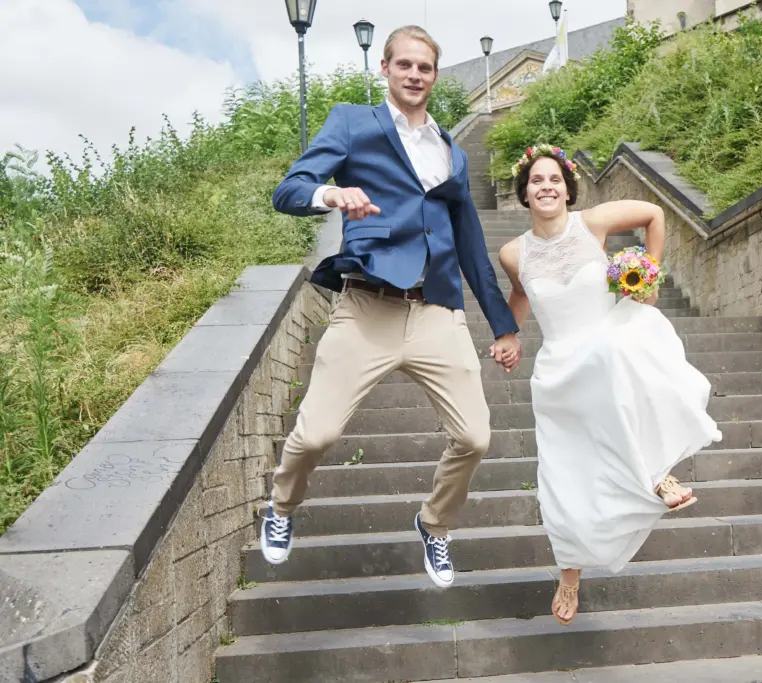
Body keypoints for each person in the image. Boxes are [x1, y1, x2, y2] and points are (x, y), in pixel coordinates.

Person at [260, 25, 522, 589]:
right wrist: (331, 194)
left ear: (434, 74)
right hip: (368, 306)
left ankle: (435, 524)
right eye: (404, 65)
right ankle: (281, 508)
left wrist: (503, 326)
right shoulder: (353, 122)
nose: (414, 75)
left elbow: (473, 245)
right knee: (316, 435)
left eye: (424, 68)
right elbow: (289, 189)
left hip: (436, 312)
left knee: (476, 437)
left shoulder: (451, 149)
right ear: (385, 68)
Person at [493, 145, 722, 624]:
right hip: (559, 371)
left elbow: (655, 214)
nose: (547, 186)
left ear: (568, 187)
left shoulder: (592, 223)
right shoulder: (513, 252)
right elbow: (520, 295)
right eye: (537, 180)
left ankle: (655, 472)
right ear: (525, 191)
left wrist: (649, 277)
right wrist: (508, 333)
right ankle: (569, 576)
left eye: (554, 178)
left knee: (613, 357)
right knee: (564, 477)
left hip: (611, 342)